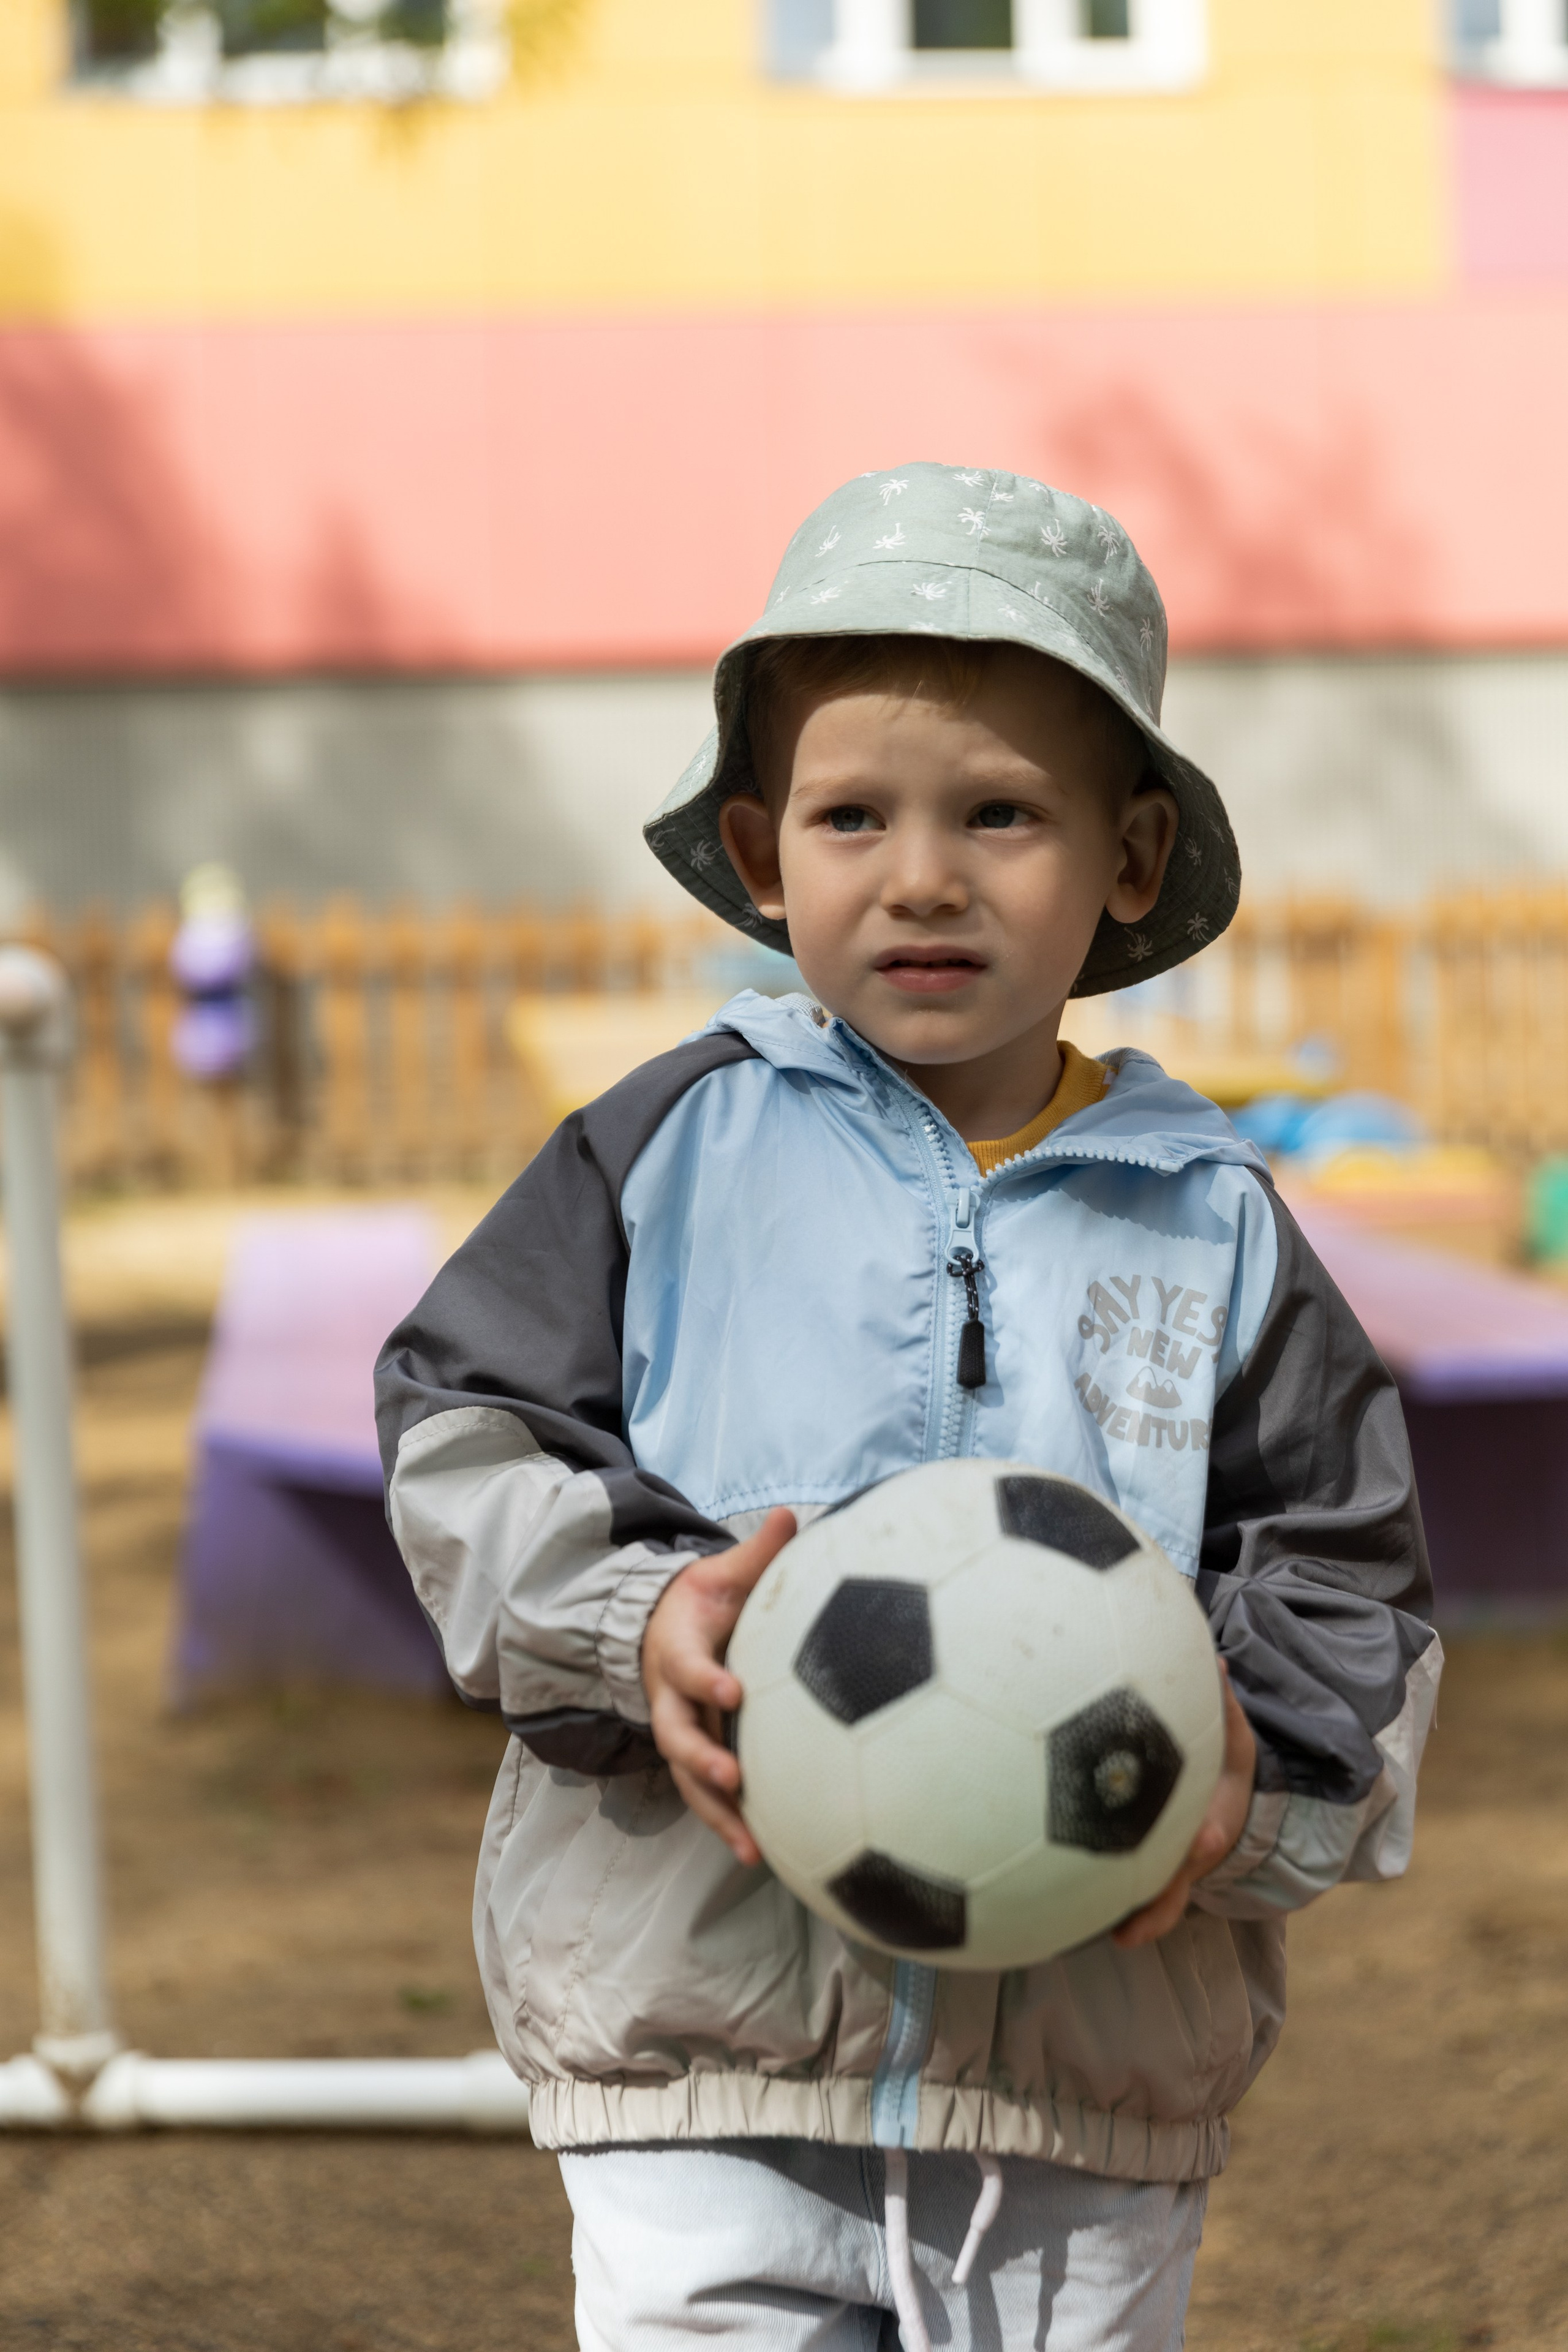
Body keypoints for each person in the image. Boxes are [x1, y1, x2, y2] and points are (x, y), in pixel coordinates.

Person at [375, 464, 1440, 2351]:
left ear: (1128, 859)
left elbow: (1353, 1598)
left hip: (1080, 2100)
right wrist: (637, 1618)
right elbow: (467, 1444)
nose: (924, 874)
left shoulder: (1210, 1226)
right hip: (700, 2073)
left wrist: (1249, 1785)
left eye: (1000, 813)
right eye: (854, 814)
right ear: (763, 850)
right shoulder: (665, 1156)